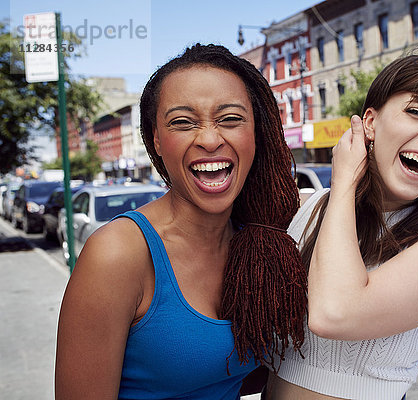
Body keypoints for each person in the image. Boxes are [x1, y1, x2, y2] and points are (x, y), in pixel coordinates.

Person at [55, 44, 307, 399]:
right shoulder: (118, 253)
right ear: (156, 140)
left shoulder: (257, 245)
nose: (208, 138)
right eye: (183, 122)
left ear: (257, 132)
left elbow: (235, 375)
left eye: (230, 119)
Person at [265, 54, 418, 399]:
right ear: (370, 122)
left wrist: (346, 181)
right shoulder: (305, 207)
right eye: (417, 111)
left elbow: (334, 314)